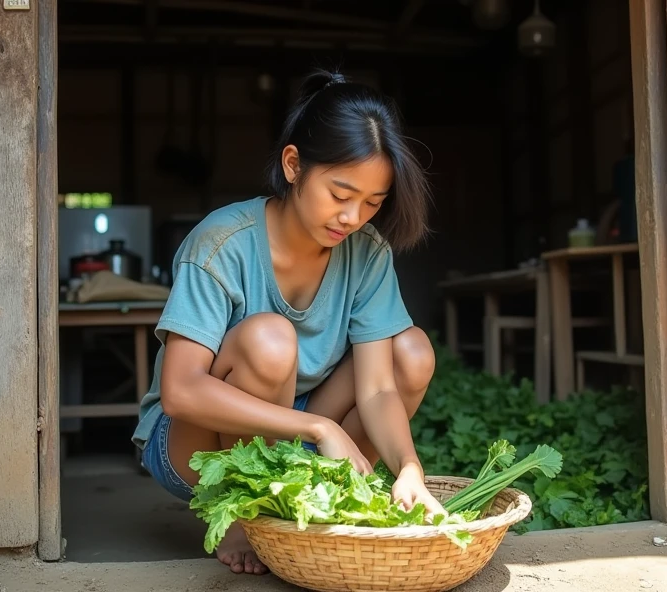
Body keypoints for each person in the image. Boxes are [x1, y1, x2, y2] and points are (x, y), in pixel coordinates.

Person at [131, 68, 442, 576]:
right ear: (294, 165)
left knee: (410, 351)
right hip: (195, 445)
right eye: (340, 194)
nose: (352, 217)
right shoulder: (223, 242)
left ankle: (313, 504)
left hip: (298, 429)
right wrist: (317, 426)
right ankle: (244, 513)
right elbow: (181, 392)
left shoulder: (367, 253)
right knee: (269, 339)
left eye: (372, 203)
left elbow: (381, 389)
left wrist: (410, 468)